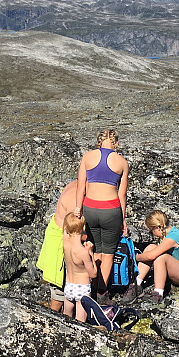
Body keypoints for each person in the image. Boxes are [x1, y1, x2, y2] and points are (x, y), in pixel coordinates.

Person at [75, 129, 129, 303]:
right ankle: (102, 292)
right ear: (117, 144)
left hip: (90, 208)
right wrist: (123, 220)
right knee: (108, 253)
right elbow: (122, 195)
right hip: (111, 210)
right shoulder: (122, 162)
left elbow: (80, 187)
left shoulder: (87, 157)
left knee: (95, 249)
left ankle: (92, 286)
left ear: (98, 143)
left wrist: (78, 209)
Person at [135, 209, 179, 303]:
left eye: (151, 230)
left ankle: (158, 293)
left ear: (158, 227)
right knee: (151, 247)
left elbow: (151, 256)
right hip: (173, 268)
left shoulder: (173, 237)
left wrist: (135, 257)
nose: (152, 234)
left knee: (161, 257)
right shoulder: (167, 234)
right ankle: (136, 284)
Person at [35, 180, 78, 312]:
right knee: (58, 287)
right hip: (61, 239)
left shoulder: (75, 184)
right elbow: (73, 229)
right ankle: (54, 317)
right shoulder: (74, 196)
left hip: (58, 233)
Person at [61, 213, 96, 322]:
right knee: (80, 321)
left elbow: (66, 231)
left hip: (69, 286)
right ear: (84, 227)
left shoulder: (64, 243)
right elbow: (93, 274)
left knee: (66, 316)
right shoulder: (83, 252)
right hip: (82, 288)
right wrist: (91, 253)